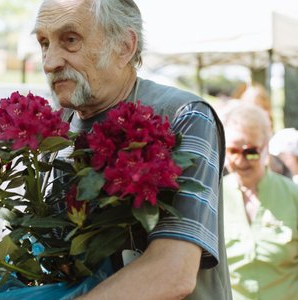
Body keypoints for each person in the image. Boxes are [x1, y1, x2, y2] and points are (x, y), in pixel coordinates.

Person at [33, 0, 231, 299]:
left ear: (124, 46)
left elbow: (172, 271)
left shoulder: (183, 116)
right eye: (44, 43)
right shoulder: (55, 129)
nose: (50, 62)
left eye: (70, 40)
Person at [220, 102, 298, 299]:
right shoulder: (214, 198)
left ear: (266, 147)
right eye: (233, 151)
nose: (241, 160)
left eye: (251, 151)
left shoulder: (293, 195)